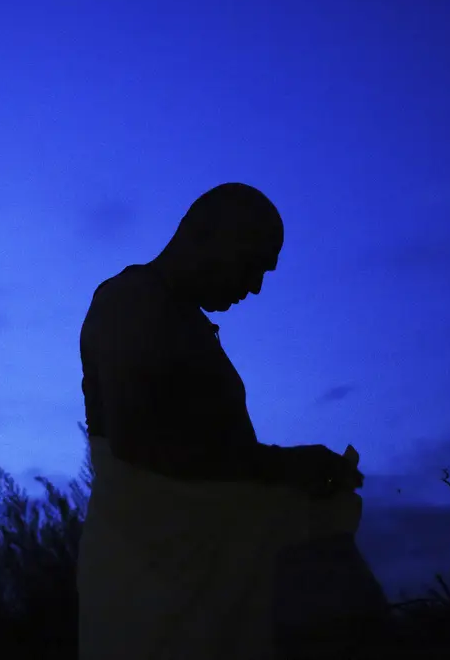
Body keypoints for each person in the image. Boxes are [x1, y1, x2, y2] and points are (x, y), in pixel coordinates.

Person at [76, 182, 364, 660]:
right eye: (251, 265)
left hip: (191, 582)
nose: (254, 287)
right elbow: (140, 444)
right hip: (150, 586)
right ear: (206, 235)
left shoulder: (177, 315)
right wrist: (287, 468)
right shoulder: (130, 301)